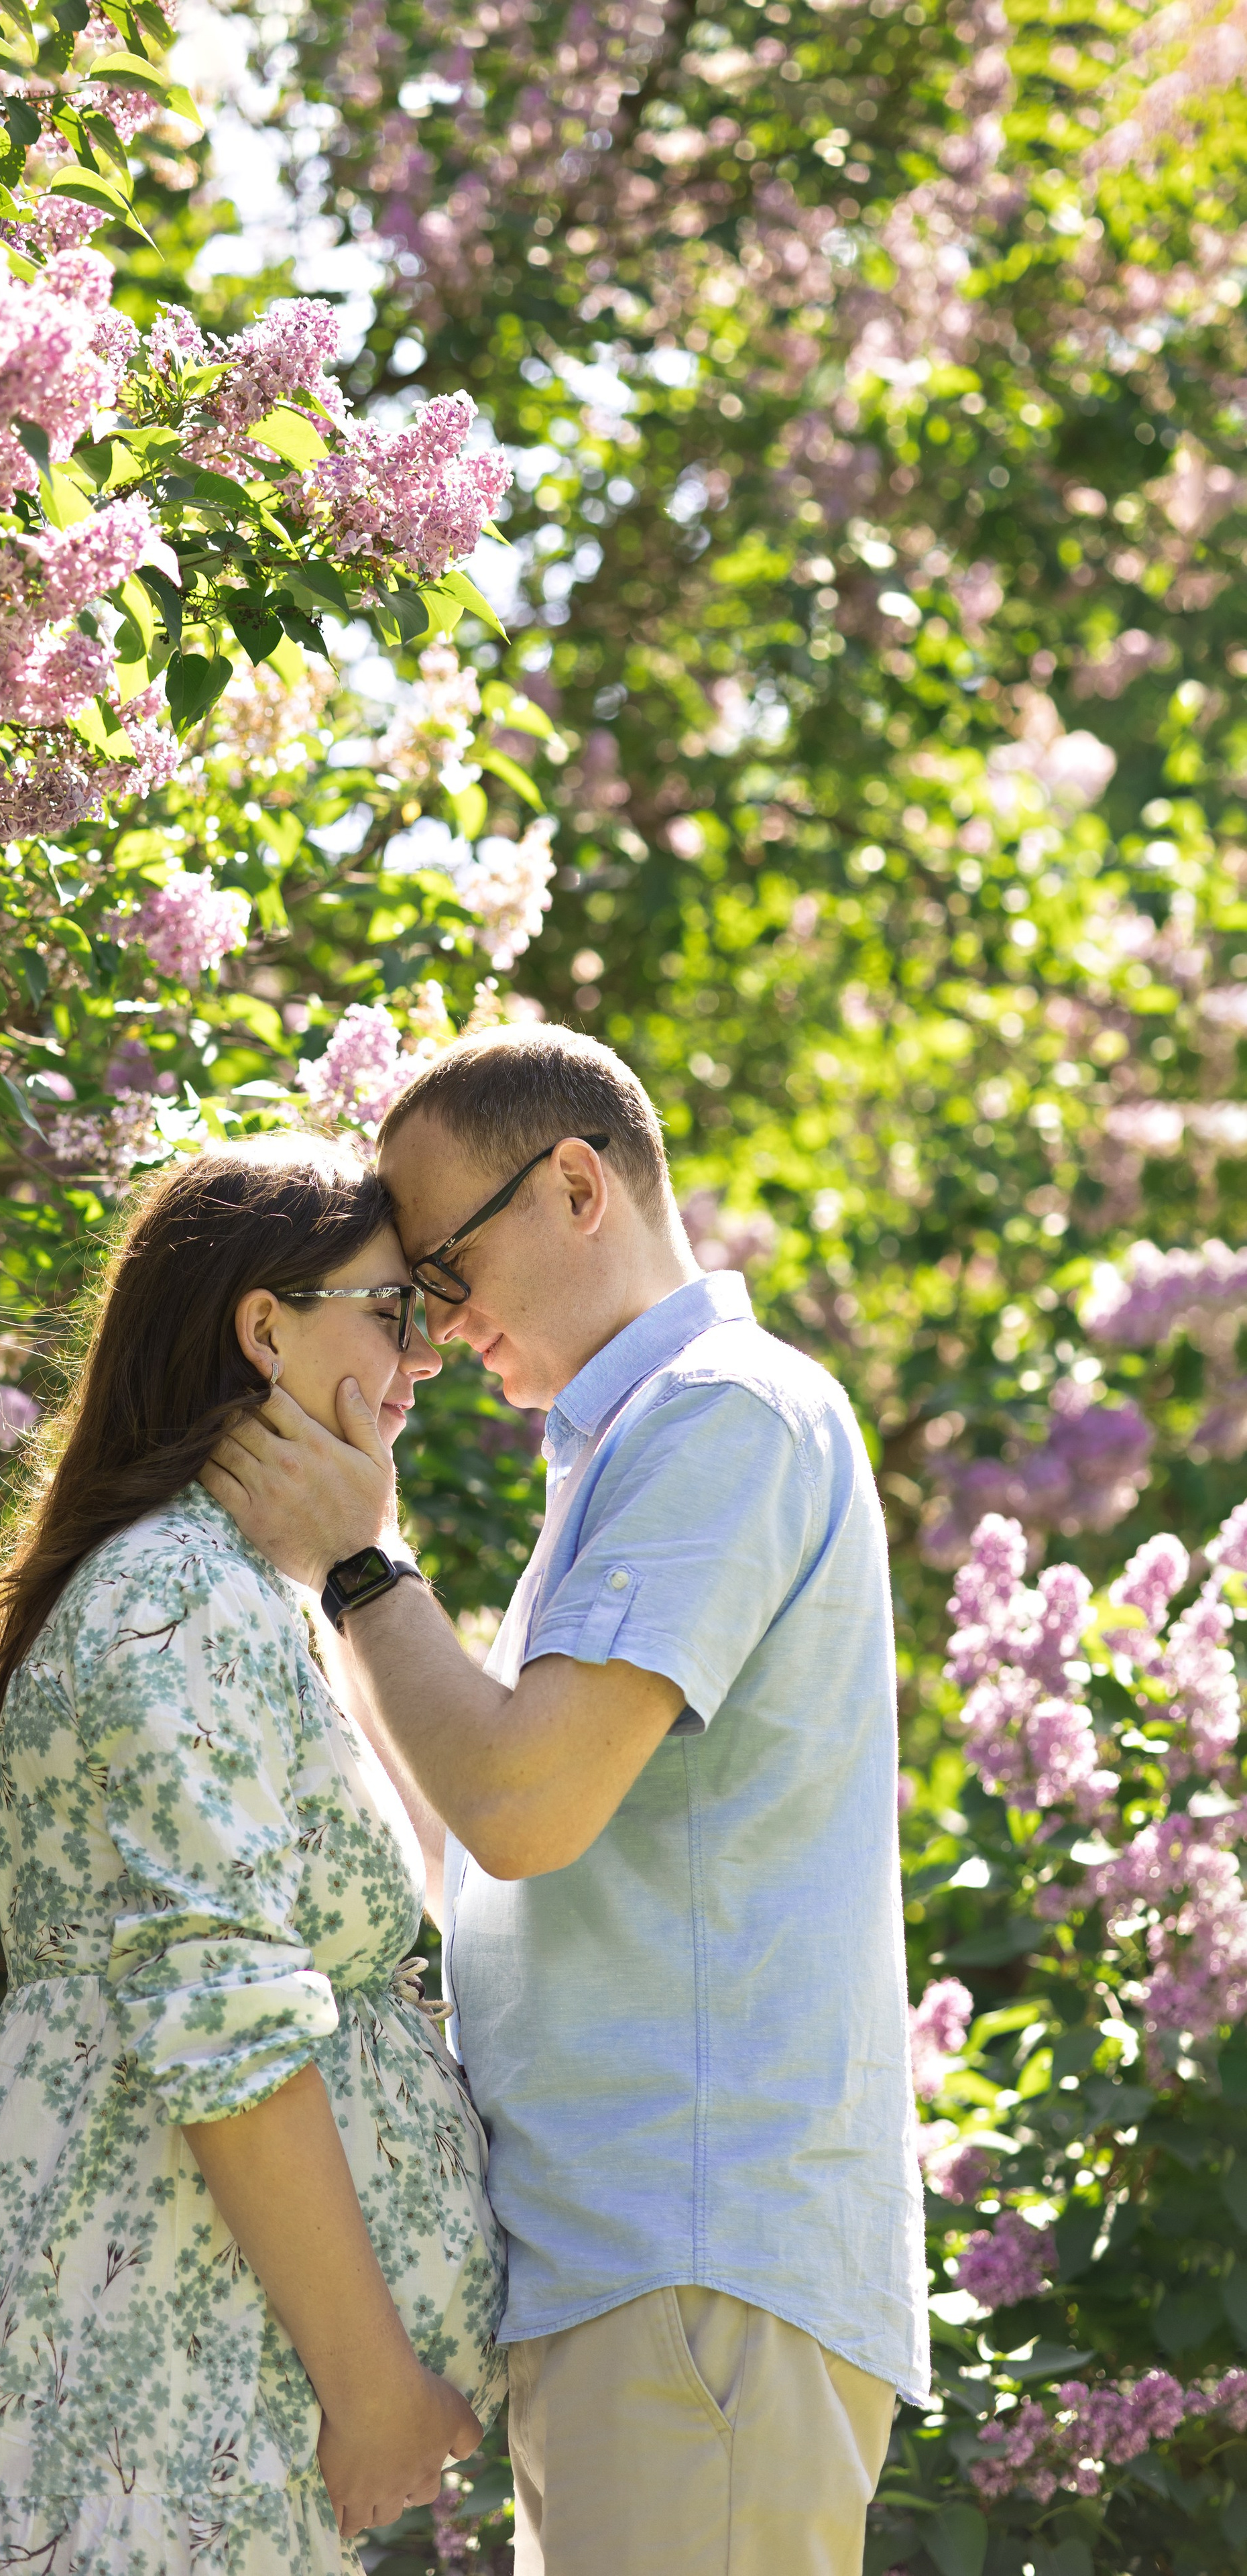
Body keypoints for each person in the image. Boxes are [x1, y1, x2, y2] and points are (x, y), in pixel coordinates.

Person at [203, 1025, 928, 2576]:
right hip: (638, 2267)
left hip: (694, 2258)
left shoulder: (721, 1414)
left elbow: (522, 1808)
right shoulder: (632, 1445)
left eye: (445, 1269)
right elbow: (483, 1827)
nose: (433, 1326)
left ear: (577, 1185)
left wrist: (360, 1562)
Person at [0, 1139, 505, 2576]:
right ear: (263, 1326)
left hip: (195, 2384)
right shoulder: (170, 1600)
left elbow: (469, 1864)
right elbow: (225, 2028)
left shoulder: (253, 1591)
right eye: (393, 1312)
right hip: (140, 2395)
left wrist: (362, 1562)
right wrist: (373, 2384)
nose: (421, 1359)